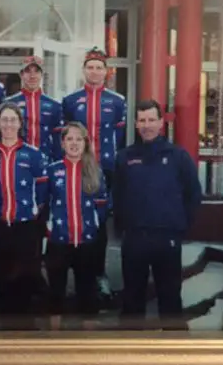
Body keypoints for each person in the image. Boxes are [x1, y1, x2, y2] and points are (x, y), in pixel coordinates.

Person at [113, 99, 202, 330]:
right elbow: (118, 195)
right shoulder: (124, 157)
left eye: (152, 119)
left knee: (170, 298)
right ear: (135, 123)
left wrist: (180, 227)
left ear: (161, 122)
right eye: (142, 120)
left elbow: (193, 194)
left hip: (167, 239)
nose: (147, 125)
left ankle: (175, 356)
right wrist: (123, 228)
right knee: (132, 299)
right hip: (134, 239)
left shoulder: (178, 156)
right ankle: (130, 358)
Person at [62, 48, 126, 299]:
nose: (95, 71)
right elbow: (66, 135)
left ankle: (99, 274)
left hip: (104, 169)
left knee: (99, 223)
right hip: (78, 167)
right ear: (84, 70)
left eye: (99, 67)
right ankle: (74, 271)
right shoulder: (70, 100)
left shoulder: (117, 101)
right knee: (75, 216)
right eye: (90, 67)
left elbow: (119, 138)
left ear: (106, 71)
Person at [0, 102, 48, 314]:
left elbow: (42, 190)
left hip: (25, 225)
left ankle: (24, 323)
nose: (9, 124)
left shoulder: (33, 154)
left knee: (25, 276)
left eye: (13, 120)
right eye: (4, 120)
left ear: (20, 123)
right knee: (1, 271)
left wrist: (34, 213)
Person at [43, 122, 109, 322]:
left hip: (87, 243)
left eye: (78, 139)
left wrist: (92, 229)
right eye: (69, 139)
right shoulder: (52, 171)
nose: (74, 143)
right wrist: (50, 230)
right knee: (55, 298)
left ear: (85, 143)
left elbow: (102, 207)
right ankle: (54, 344)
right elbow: (44, 205)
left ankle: (86, 345)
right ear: (62, 143)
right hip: (58, 243)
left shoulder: (95, 172)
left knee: (88, 298)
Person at [5, 55, 64, 162]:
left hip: (45, 160)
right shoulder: (9, 103)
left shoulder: (54, 105)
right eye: (28, 71)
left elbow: (58, 141)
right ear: (21, 75)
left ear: (42, 74)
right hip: (16, 161)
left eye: (36, 71)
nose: (32, 76)